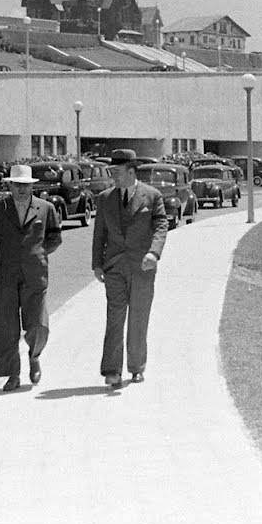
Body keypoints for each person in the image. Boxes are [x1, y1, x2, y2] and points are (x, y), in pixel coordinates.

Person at [0, 163, 62, 391]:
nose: (21, 190)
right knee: (5, 326)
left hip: (35, 274)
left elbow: (55, 238)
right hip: (6, 274)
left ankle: (34, 355)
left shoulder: (45, 208)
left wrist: (40, 254)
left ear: (31, 187)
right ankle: (12, 374)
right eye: (17, 185)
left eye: (25, 185)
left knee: (37, 323)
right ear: (10, 186)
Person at [92, 148, 169, 387]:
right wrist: (96, 263)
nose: (113, 176)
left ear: (131, 171)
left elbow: (161, 226)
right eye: (112, 171)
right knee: (114, 317)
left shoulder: (152, 196)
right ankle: (111, 370)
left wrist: (154, 253)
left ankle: (136, 367)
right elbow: (99, 234)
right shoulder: (105, 198)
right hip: (114, 267)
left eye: (117, 171)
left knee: (138, 317)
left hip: (142, 267)